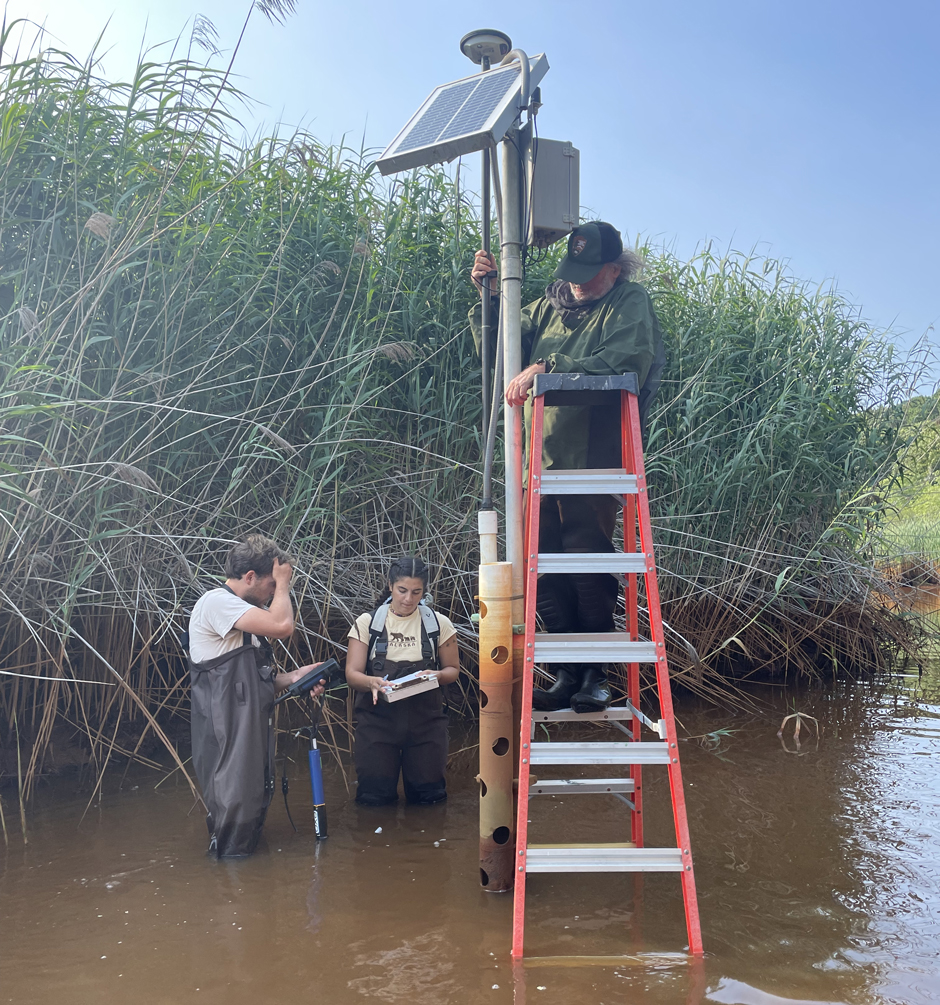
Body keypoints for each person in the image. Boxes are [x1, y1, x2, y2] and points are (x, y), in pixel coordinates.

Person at [470, 221, 666, 713]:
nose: (578, 282)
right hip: (535, 459)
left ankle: (596, 674)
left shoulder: (629, 302)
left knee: (586, 560)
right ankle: (565, 673)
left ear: (615, 270)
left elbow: (626, 359)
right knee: (543, 564)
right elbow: (500, 354)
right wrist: (489, 297)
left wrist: (546, 367)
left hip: (593, 457)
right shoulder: (549, 304)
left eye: (590, 273)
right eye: (572, 270)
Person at [188, 534, 325, 858]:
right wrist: (284, 583)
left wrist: (294, 677)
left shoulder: (239, 616)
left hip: (245, 730)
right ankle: (230, 893)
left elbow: (248, 682)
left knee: (251, 811)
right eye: (269, 587)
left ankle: (244, 895)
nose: (271, 596)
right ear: (250, 577)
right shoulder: (216, 602)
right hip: (227, 735)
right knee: (234, 817)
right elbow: (282, 625)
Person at [345, 557, 461, 806]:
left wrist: (438, 675)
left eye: (416, 592)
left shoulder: (438, 624)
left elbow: (453, 670)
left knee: (429, 799)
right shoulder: (368, 623)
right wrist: (372, 683)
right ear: (390, 586)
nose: (408, 599)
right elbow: (352, 674)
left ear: (424, 591)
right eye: (402, 590)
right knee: (373, 800)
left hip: (426, 726)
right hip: (377, 726)